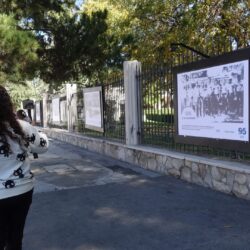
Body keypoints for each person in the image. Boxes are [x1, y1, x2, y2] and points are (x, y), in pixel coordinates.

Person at [0, 86, 49, 250]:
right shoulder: (21, 127)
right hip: (21, 191)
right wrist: (41, 133)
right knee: (15, 240)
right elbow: (43, 146)